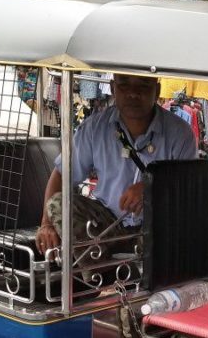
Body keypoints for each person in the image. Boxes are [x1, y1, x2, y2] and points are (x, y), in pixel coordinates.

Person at [35, 74, 197, 263]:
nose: (133, 93)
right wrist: (46, 224)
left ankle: (148, 276)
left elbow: (190, 189)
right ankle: (100, 279)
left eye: (143, 85)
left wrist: (153, 187)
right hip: (106, 223)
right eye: (124, 85)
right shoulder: (95, 127)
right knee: (57, 203)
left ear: (157, 91)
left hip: (156, 226)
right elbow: (62, 174)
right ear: (112, 88)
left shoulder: (180, 133)